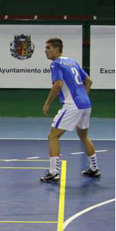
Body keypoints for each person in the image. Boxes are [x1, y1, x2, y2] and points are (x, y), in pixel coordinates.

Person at [40, 37, 100, 183]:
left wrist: (47, 103)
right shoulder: (72, 61)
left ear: (56, 49)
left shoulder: (56, 64)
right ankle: (94, 168)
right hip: (86, 103)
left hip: (72, 105)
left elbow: (58, 84)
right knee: (84, 136)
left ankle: (54, 172)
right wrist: (82, 97)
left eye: (48, 48)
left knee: (53, 135)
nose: (45, 51)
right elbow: (89, 81)